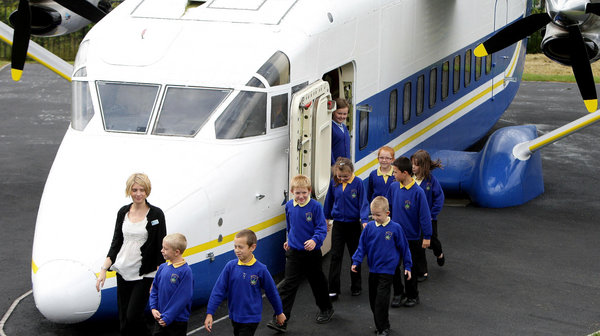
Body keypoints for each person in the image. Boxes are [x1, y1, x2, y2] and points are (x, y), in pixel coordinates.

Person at [96, 173, 167, 336]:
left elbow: (160, 248)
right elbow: (116, 242)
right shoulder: (123, 212)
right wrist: (103, 270)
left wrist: (158, 278)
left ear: (147, 191)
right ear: (129, 190)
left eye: (142, 190)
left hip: (145, 274)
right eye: (134, 190)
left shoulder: (156, 215)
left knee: (133, 316)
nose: (138, 193)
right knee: (124, 322)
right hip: (123, 271)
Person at [266, 174, 333, 333]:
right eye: (297, 193)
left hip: (312, 254)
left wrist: (315, 241)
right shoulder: (289, 206)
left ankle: (326, 308)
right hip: (294, 253)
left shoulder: (316, 207)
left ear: (309, 191)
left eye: (304, 192)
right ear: (292, 192)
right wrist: (289, 239)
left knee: (317, 283)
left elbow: (321, 228)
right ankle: (281, 320)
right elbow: (291, 226)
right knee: (289, 285)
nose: (301, 196)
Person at [351, 196, 412, 336]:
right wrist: (356, 261)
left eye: (378, 215)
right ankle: (384, 323)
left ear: (387, 213)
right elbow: (362, 247)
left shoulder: (396, 228)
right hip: (373, 269)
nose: (375, 217)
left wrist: (407, 266)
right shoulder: (369, 228)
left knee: (381, 300)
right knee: (373, 300)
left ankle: (382, 328)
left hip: (388, 271)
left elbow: (404, 248)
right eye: (372, 214)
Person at [205, 229, 285, 336]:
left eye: (241, 247)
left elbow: (272, 292)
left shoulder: (261, 270)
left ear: (252, 247)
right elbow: (218, 290)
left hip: (251, 318)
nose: (237, 250)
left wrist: (279, 312)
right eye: (235, 247)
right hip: (234, 316)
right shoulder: (230, 267)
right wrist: (210, 313)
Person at [385, 157, 432, 308]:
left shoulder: (418, 192)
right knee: (393, 266)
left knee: (409, 268)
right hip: (395, 236)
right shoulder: (393, 187)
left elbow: (424, 216)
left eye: (396, 172)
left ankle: (413, 295)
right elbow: (388, 208)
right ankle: (398, 293)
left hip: (412, 237)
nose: (393, 174)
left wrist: (427, 236)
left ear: (405, 173)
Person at [323, 157, 370, 299]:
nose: (342, 179)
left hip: (353, 225)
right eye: (339, 176)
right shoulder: (334, 183)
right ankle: (333, 289)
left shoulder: (358, 183)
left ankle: (356, 286)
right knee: (336, 256)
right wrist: (326, 219)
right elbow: (329, 201)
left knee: (354, 255)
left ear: (351, 173)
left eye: (345, 176)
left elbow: (363, 203)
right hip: (338, 224)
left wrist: (365, 220)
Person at [411, 149, 445, 282]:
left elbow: (439, 198)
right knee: (419, 245)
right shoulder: (410, 179)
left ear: (423, 166)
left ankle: (439, 252)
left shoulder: (431, 181)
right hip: (414, 220)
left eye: (416, 164)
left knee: (432, 241)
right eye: (412, 163)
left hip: (429, 219)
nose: (413, 166)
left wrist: (432, 214)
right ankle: (422, 271)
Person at [149, 233, 193, 336]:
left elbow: (182, 298)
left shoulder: (186, 271)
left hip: (177, 321)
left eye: (165, 248)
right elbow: (154, 289)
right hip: (160, 318)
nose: (162, 250)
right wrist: (153, 308)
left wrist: (168, 317)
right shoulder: (163, 267)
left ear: (176, 252)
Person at [331, 97, 351, 165]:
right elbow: (328, 149)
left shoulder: (344, 127)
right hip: (336, 167)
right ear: (333, 112)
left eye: (345, 114)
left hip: (345, 166)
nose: (342, 116)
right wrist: (334, 165)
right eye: (339, 113)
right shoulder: (331, 127)